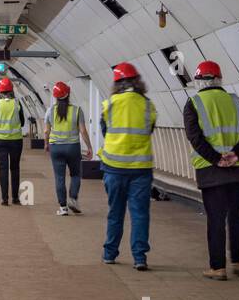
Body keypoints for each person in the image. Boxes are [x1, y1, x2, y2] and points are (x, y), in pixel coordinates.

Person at [183, 61, 239, 281]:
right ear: (219, 80)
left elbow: (195, 137)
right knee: (236, 215)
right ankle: (237, 261)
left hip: (211, 170)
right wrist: (236, 154)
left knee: (216, 218)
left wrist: (217, 159)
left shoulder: (194, 104)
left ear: (199, 81)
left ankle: (218, 267)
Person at [99, 62, 157, 271]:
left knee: (115, 212)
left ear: (116, 83)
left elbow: (106, 131)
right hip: (141, 169)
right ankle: (139, 257)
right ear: (137, 81)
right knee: (140, 214)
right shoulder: (148, 105)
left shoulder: (110, 104)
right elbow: (149, 130)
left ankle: (109, 253)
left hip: (114, 167)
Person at [44, 81, 94, 216]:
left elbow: (46, 131)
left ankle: (63, 207)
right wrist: (89, 147)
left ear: (55, 97)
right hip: (72, 147)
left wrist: (46, 144)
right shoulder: (77, 110)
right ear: (68, 94)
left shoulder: (50, 111)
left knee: (59, 177)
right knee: (76, 174)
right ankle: (73, 198)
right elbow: (83, 131)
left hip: (56, 148)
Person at [0, 77, 25, 206]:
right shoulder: (17, 103)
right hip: (16, 140)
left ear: (0, 91)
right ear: (12, 90)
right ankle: (15, 198)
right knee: (15, 168)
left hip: (0, 141)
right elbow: (22, 122)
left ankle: (4, 199)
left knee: (3, 168)